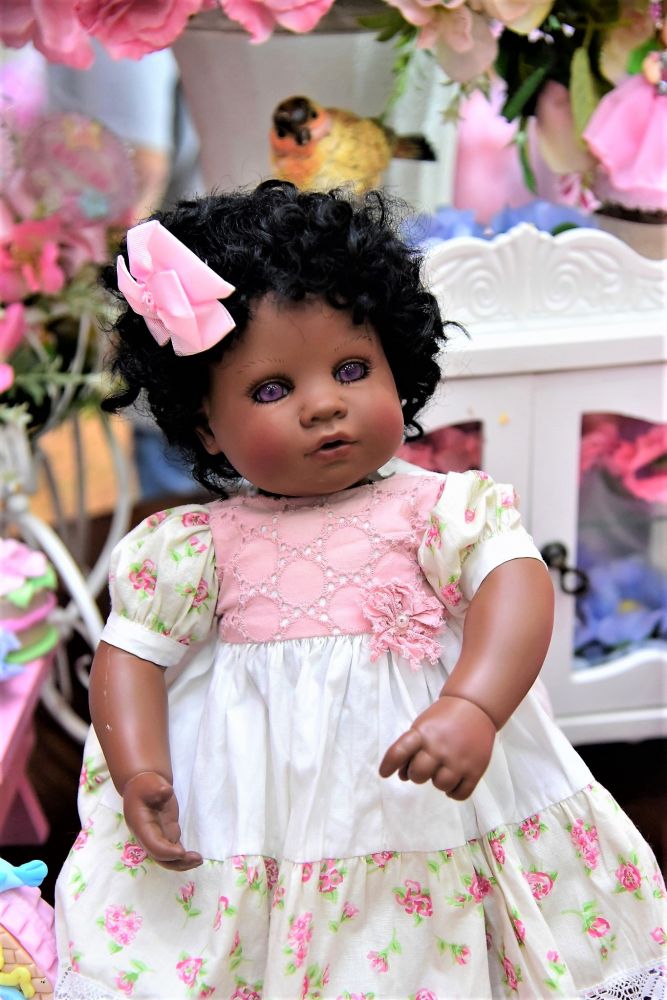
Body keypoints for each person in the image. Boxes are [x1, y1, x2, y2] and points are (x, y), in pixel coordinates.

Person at [54, 181, 666, 999]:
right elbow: (131, 654)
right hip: (267, 808)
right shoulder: (193, 547)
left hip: (429, 796)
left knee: (443, 928)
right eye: (272, 389)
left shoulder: (437, 508)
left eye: (351, 369)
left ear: (394, 366)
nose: (324, 405)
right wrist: (138, 769)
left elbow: (514, 583)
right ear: (205, 426)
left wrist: (473, 704)